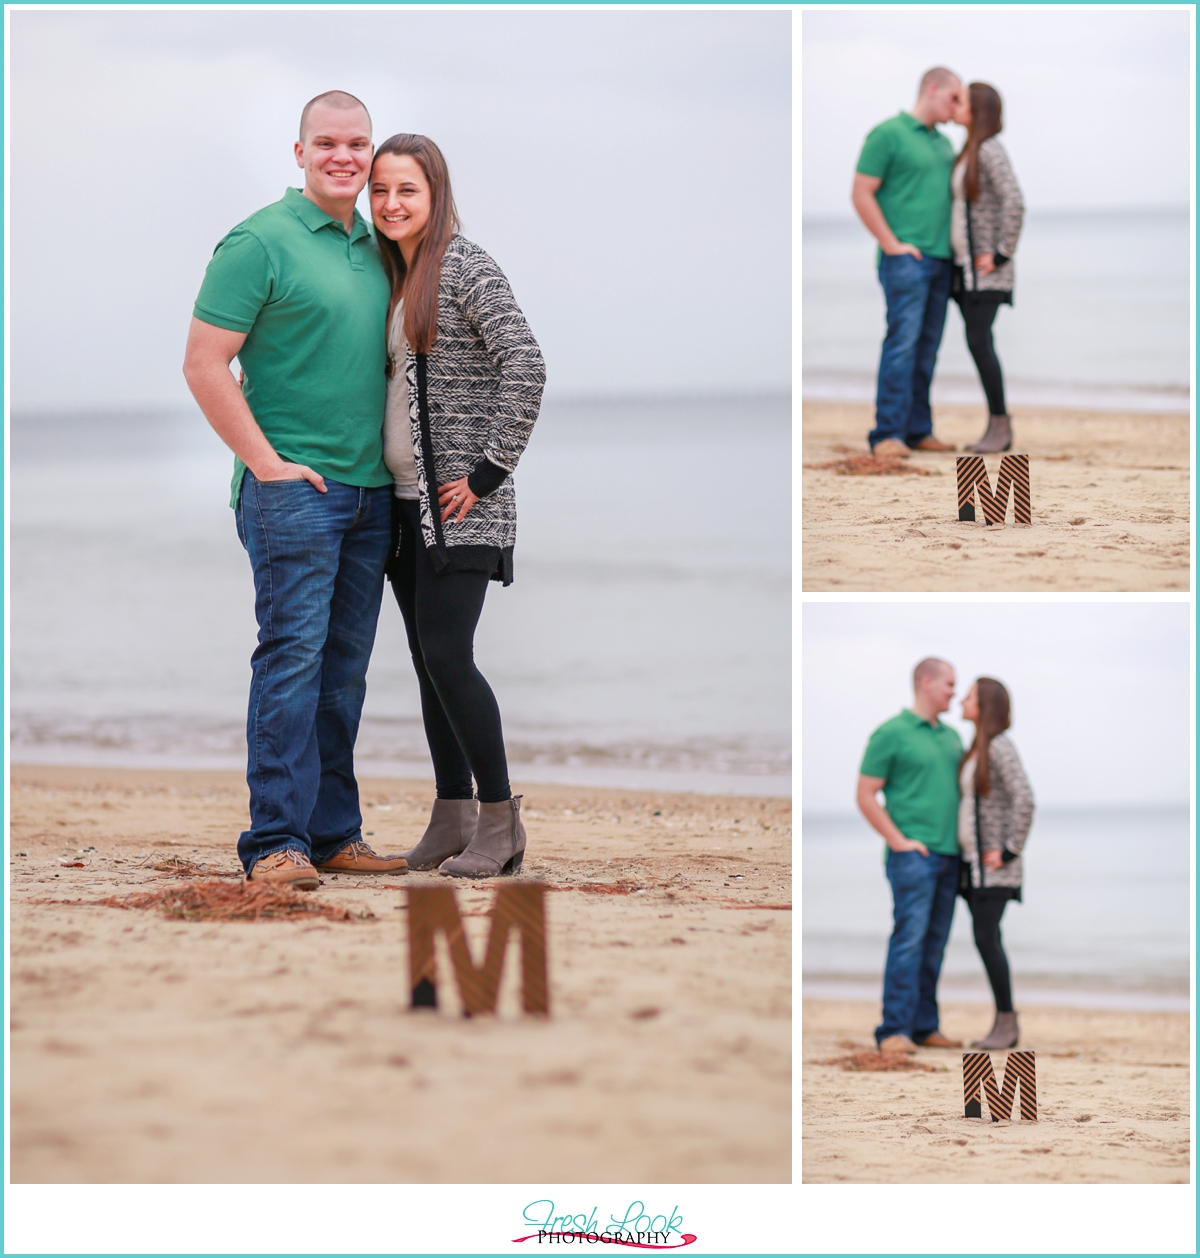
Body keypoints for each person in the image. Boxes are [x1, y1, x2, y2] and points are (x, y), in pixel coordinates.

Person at [183, 92, 407, 888]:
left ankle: (334, 834)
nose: (344, 156)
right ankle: (275, 844)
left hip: (371, 495)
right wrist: (267, 465)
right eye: (328, 144)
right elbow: (204, 363)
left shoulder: (381, 246)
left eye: (358, 144)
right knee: (291, 662)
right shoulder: (258, 242)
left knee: (343, 675)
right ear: (300, 151)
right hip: (293, 493)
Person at [368, 133, 545, 878]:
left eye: (406, 190)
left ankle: (501, 823)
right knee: (426, 663)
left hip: (461, 510)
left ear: (435, 194)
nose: (390, 203)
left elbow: (526, 363)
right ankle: (452, 815)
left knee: (450, 656)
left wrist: (486, 474)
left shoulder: (465, 266)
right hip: (406, 508)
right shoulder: (399, 274)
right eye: (380, 191)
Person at [852, 68, 962, 459]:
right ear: (932, 89)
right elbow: (861, 192)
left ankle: (919, 429)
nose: (957, 108)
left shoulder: (946, 144)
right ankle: (887, 433)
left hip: (942, 259)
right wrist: (891, 244)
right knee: (902, 343)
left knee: (927, 348)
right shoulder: (887, 134)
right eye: (953, 98)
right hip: (906, 260)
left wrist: (962, 116)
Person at [857, 658, 964, 1053]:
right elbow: (865, 794)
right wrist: (899, 841)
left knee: (935, 945)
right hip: (913, 856)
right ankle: (893, 1031)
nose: (954, 691)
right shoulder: (891, 733)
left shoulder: (952, 737)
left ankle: (925, 1026)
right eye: (950, 683)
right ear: (926, 681)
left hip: (952, 857)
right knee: (909, 940)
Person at [958, 677, 1035, 1049]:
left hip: (995, 869)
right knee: (986, 939)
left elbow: (1026, 799)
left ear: (984, 705)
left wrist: (1009, 851)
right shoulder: (978, 747)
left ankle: (1007, 1022)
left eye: (969, 696)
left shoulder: (1000, 746)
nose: (962, 700)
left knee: (987, 939)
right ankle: (1004, 1021)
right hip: (975, 868)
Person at [949, 83, 1025, 454]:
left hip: (987, 272)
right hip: (966, 271)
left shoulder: (991, 150)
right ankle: (997, 425)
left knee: (980, 341)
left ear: (977, 110)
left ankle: (1000, 426)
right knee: (978, 342)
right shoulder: (969, 149)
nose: (955, 104)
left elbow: (1015, 201)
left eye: (961, 100)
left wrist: (1000, 254)